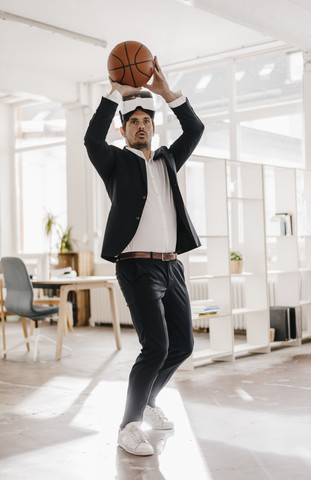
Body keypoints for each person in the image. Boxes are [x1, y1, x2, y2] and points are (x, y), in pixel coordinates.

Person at [84, 57, 204, 456]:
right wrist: (114, 93)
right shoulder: (115, 162)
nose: (140, 125)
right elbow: (91, 142)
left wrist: (169, 94)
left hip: (171, 265)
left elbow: (196, 128)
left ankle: (148, 402)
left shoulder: (168, 159)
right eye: (132, 121)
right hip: (136, 266)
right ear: (124, 129)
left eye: (146, 121)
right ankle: (128, 425)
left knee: (182, 346)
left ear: (153, 127)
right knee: (155, 346)